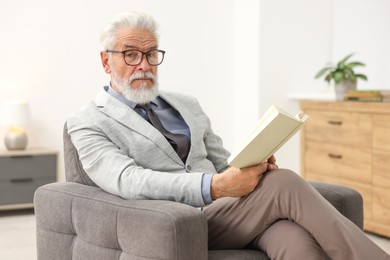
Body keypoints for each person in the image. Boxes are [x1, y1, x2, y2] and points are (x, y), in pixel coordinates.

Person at [67, 11, 389, 260]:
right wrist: (214, 187)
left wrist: (252, 166)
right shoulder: (88, 122)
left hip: (230, 210)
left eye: (151, 54)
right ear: (105, 61)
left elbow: (221, 161)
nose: (145, 65)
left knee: (292, 239)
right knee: (285, 183)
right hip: (177, 221)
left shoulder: (185, 104)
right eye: (131, 54)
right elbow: (129, 180)